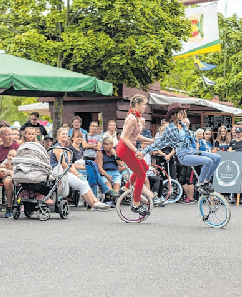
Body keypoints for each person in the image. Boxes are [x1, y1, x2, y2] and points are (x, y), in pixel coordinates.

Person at [136, 102, 221, 195]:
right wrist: (144, 152)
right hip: (183, 156)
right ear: (175, 115)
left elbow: (190, 139)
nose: (183, 114)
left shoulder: (183, 125)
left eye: (183, 112)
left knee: (217, 158)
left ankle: (206, 181)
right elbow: (158, 143)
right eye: (181, 112)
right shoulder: (169, 129)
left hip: (192, 152)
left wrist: (194, 145)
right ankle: (200, 183)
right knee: (207, 161)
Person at [50, 128, 110, 210]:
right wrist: (76, 174)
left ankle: (95, 203)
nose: (65, 136)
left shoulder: (66, 149)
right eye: (63, 134)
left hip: (65, 173)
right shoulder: (58, 147)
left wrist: (77, 174)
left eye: (66, 134)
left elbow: (70, 165)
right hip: (58, 173)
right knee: (83, 184)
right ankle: (94, 204)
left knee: (84, 182)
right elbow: (64, 164)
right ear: (58, 136)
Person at [116, 94, 155, 216]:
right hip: (125, 149)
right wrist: (137, 151)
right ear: (137, 105)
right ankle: (136, 204)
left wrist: (151, 140)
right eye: (144, 104)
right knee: (141, 174)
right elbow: (126, 139)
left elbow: (136, 136)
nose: (145, 107)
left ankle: (127, 187)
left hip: (129, 148)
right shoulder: (132, 118)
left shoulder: (136, 118)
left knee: (146, 168)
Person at [0, 128, 20, 218]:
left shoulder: (17, 147)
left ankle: (9, 207)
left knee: (8, 181)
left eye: (11, 134)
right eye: (7, 135)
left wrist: (10, 168)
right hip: (1, 170)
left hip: (11, 172)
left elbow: (21, 162)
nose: (10, 137)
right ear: (1, 136)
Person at [96, 137, 122, 206]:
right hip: (104, 172)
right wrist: (106, 175)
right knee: (108, 185)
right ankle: (109, 199)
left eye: (107, 144)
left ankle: (112, 199)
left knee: (116, 186)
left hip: (115, 172)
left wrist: (115, 155)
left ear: (111, 145)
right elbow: (99, 167)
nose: (104, 146)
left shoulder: (116, 152)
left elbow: (121, 164)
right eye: (103, 144)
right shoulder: (100, 153)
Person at [140, 141, 166, 206]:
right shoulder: (139, 153)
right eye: (144, 143)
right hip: (143, 173)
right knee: (157, 180)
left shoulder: (148, 154)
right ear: (141, 144)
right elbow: (142, 166)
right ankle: (154, 197)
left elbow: (148, 165)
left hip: (149, 173)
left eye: (147, 144)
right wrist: (151, 169)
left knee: (160, 179)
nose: (146, 145)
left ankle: (159, 196)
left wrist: (152, 169)